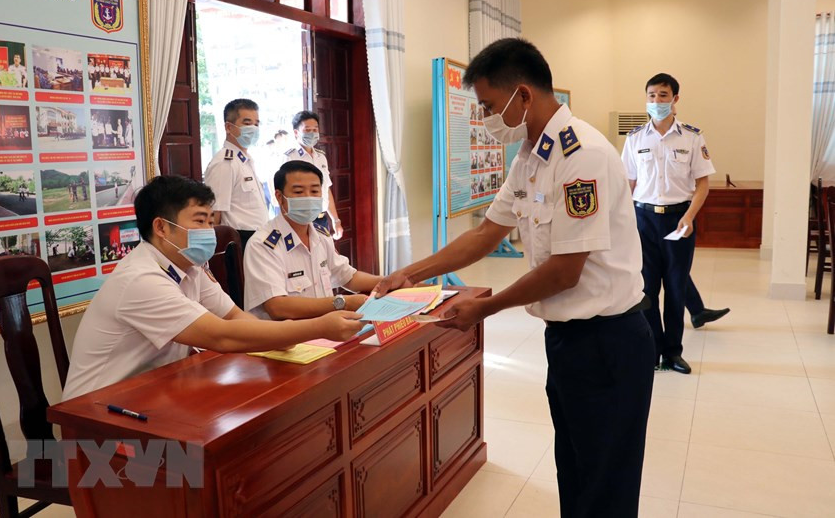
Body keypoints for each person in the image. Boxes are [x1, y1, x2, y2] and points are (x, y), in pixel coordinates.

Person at [375, 38, 654, 517]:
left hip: (608, 342)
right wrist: (410, 272)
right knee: (576, 467)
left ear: (522, 95)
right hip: (568, 339)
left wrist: (484, 306)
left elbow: (565, 272)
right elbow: (486, 232)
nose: (483, 117)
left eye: (486, 105)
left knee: (606, 480)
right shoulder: (531, 155)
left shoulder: (579, 155)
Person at [62, 175, 363, 400]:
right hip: (98, 412)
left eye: (210, 221)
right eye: (199, 221)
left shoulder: (189, 267)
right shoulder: (141, 279)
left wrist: (280, 339)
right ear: (161, 227)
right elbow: (220, 336)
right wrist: (317, 328)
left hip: (154, 391)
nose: (209, 232)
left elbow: (233, 317)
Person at [621, 73, 715, 374]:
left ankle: (673, 353)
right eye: (651, 95)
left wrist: (689, 217)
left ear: (675, 99)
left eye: (663, 95)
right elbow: (628, 184)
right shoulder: (635, 138)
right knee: (646, 290)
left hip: (679, 220)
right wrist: (624, 223)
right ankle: (653, 350)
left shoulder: (691, 137)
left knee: (675, 289)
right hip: (644, 220)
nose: (656, 101)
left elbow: (703, 184)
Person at [244, 161, 380, 320]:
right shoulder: (263, 245)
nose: (308, 197)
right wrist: (342, 303)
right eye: (299, 192)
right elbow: (277, 307)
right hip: (288, 340)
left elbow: (347, 276)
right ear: (280, 198)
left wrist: (386, 282)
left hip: (328, 332)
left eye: (315, 191)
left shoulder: (321, 235)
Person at [203, 98, 271, 248]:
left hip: (258, 238)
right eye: (247, 123)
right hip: (239, 240)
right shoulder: (225, 163)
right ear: (228, 127)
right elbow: (215, 214)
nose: (253, 128)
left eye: (256, 124)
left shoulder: (245, 160)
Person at [286, 111, 342, 239]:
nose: (312, 133)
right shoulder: (290, 157)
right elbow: (283, 194)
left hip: (321, 220)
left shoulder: (321, 157)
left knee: (324, 258)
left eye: (315, 129)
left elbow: (326, 189)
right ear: (296, 132)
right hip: (300, 220)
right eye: (307, 130)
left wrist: (335, 220)